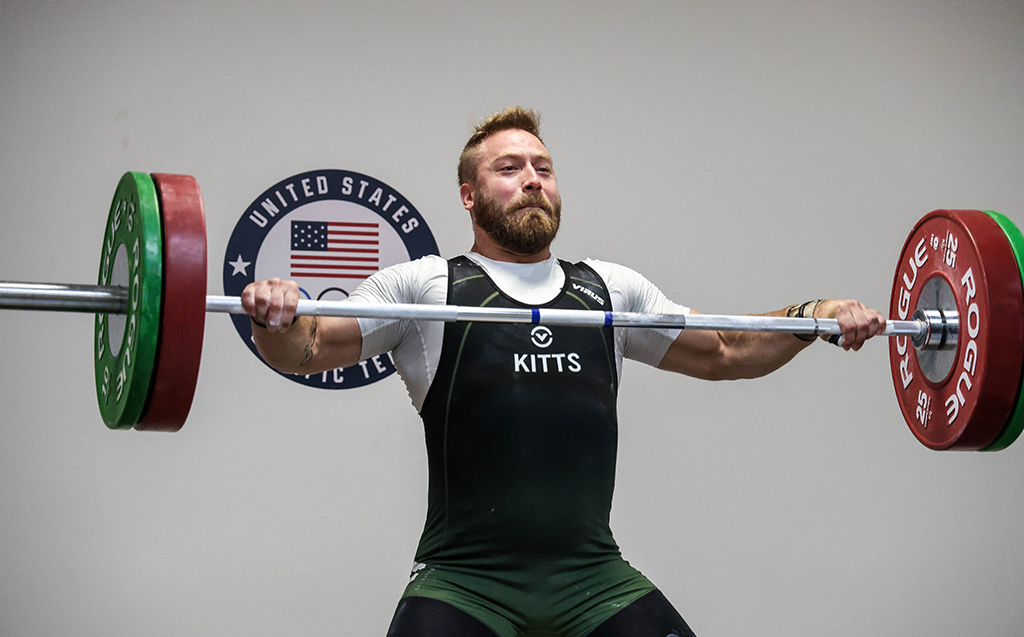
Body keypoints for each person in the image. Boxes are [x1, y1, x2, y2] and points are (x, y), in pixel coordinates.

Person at [242, 106, 887, 637]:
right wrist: (276, 319)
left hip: (592, 582)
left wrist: (813, 316)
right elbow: (307, 347)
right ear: (468, 196)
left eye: (543, 168)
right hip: (465, 585)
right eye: (510, 168)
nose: (532, 180)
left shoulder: (608, 290)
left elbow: (723, 350)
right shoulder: (428, 286)